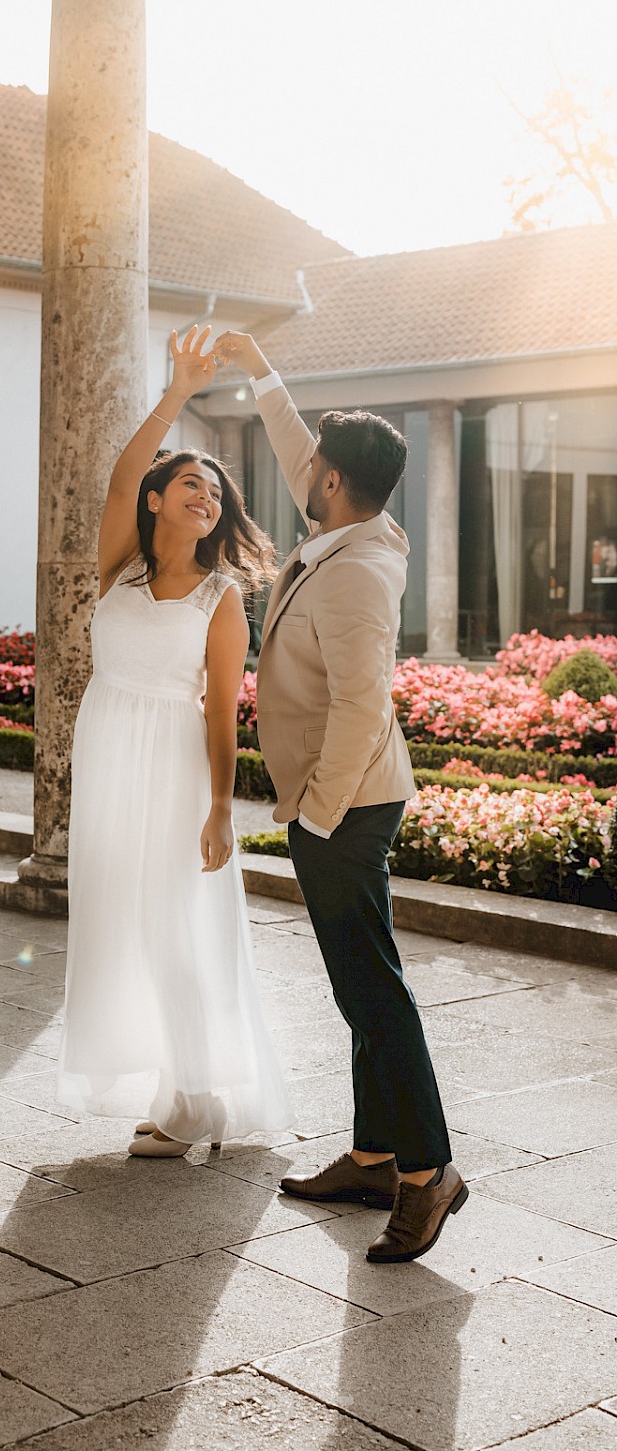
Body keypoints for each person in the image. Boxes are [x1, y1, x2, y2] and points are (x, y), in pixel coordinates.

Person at [212, 330, 466, 1263]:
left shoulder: (357, 571)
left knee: (374, 993)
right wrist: (256, 365)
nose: (298, 468)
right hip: (344, 802)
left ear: (331, 481)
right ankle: (371, 1156)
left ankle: (427, 1171)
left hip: (347, 807)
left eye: (311, 462)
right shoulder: (345, 526)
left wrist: (315, 814)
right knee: (362, 985)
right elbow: (292, 444)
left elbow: (366, 705)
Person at [56, 326, 292, 1156]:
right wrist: (177, 393)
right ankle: (186, 1093)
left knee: (175, 927)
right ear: (158, 500)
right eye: (191, 484)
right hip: (111, 751)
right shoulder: (119, 566)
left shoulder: (222, 597)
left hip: (177, 766)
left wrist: (222, 808)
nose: (207, 497)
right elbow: (123, 473)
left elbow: (224, 711)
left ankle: (198, 1100)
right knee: (124, 920)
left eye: (217, 494)